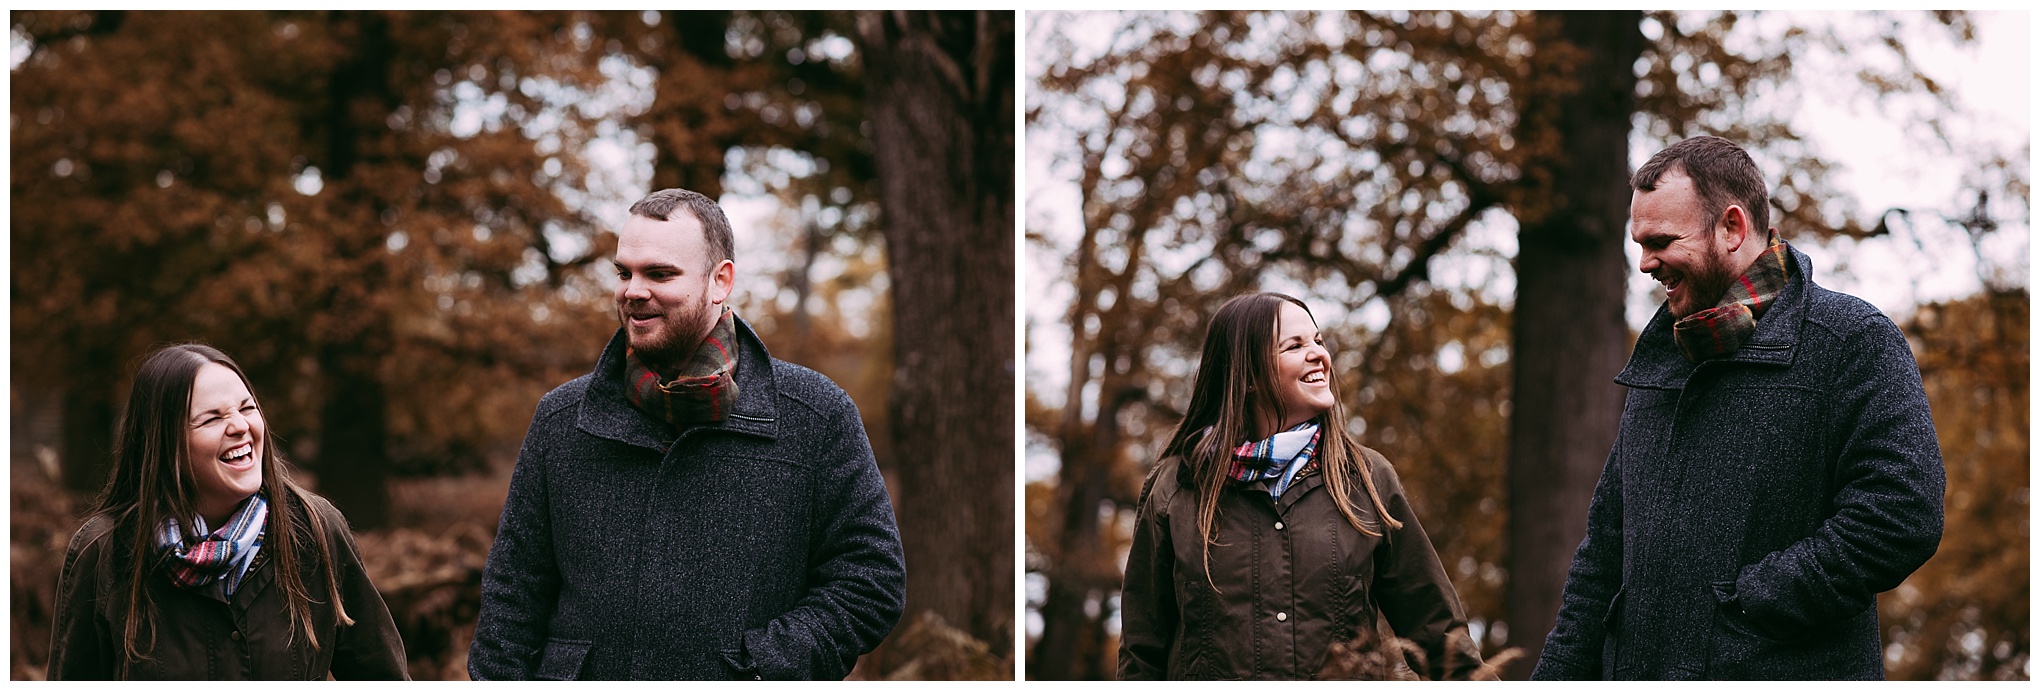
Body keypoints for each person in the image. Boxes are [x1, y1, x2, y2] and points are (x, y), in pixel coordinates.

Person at [1532, 136, 1944, 680]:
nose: (1645, 263)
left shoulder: (1852, 341)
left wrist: (1747, 603)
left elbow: (1901, 515)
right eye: (1638, 242)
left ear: (1732, 227)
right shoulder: (1663, 360)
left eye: (1660, 241)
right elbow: (1605, 554)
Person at [468, 188, 906, 680]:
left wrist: (762, 670)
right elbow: (513, 592)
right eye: (624, 272)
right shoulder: (562, 418)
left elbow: (869, 581)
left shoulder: (815, 415)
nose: (633, 290)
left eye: (659, 273)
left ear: (720, 282)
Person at [1118, 292, 1482, 680]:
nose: (1319, 355)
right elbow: (1142, 653)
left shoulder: (1367, 479)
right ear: (1249, 376)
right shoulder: (1177, 487)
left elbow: (1440, 636)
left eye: (1318, 341)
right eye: (1294, 346)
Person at [48, 344, 408, 680]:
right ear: (164, 442)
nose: (240, 426)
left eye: (247, 407)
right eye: (212, 419)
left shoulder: (315, 530)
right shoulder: (106, 551)